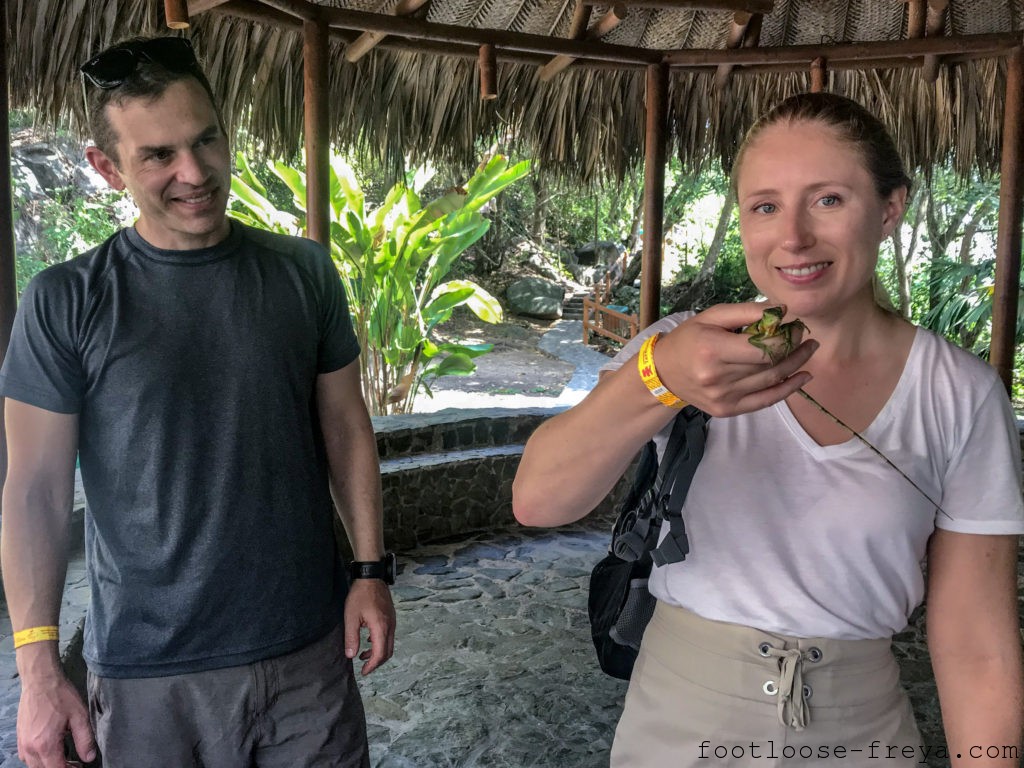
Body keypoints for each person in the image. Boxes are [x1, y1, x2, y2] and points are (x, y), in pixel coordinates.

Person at [513, 92, 1024, 766]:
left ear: (890, 208)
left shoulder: (957, 392)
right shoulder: (682, 350)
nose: (793, 237)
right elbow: (539, 501)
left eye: (828, 200)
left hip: (863, 731)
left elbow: (975, 640)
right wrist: (655, 376)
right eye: (765, 206)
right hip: (681, 719)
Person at [0, 35, 396, 768]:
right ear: (106, 166)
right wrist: (39, 668)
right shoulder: (67, 300)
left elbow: (345, 427)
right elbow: (34, 490)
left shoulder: (303, 273)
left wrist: (371, 572)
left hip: (307, 656)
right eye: (158, 156)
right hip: (150, 671)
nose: (195, 172)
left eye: (206, 139)